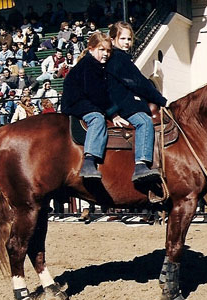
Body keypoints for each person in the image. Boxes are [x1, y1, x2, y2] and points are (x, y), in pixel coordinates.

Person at [106, 21, 167, 182]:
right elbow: (139, 83)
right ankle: (141, 164)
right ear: (113, 40)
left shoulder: (119, 58)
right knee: (144, 122)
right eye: (123, 39)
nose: (127, 43)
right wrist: (160, 100)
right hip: (122, 103)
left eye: (129, 39)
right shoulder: (119, 59)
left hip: (123, 101)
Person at [61, 32, 113, 179]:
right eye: (101, 50)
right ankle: (89, 161)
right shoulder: (89, 65)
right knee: (97, 118)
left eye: (108, 51)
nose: (105, 54)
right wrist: (112, 110)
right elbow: (95, 93)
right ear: (91, 49)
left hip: (84, 100)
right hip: (76, 102)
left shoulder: (97, 65)